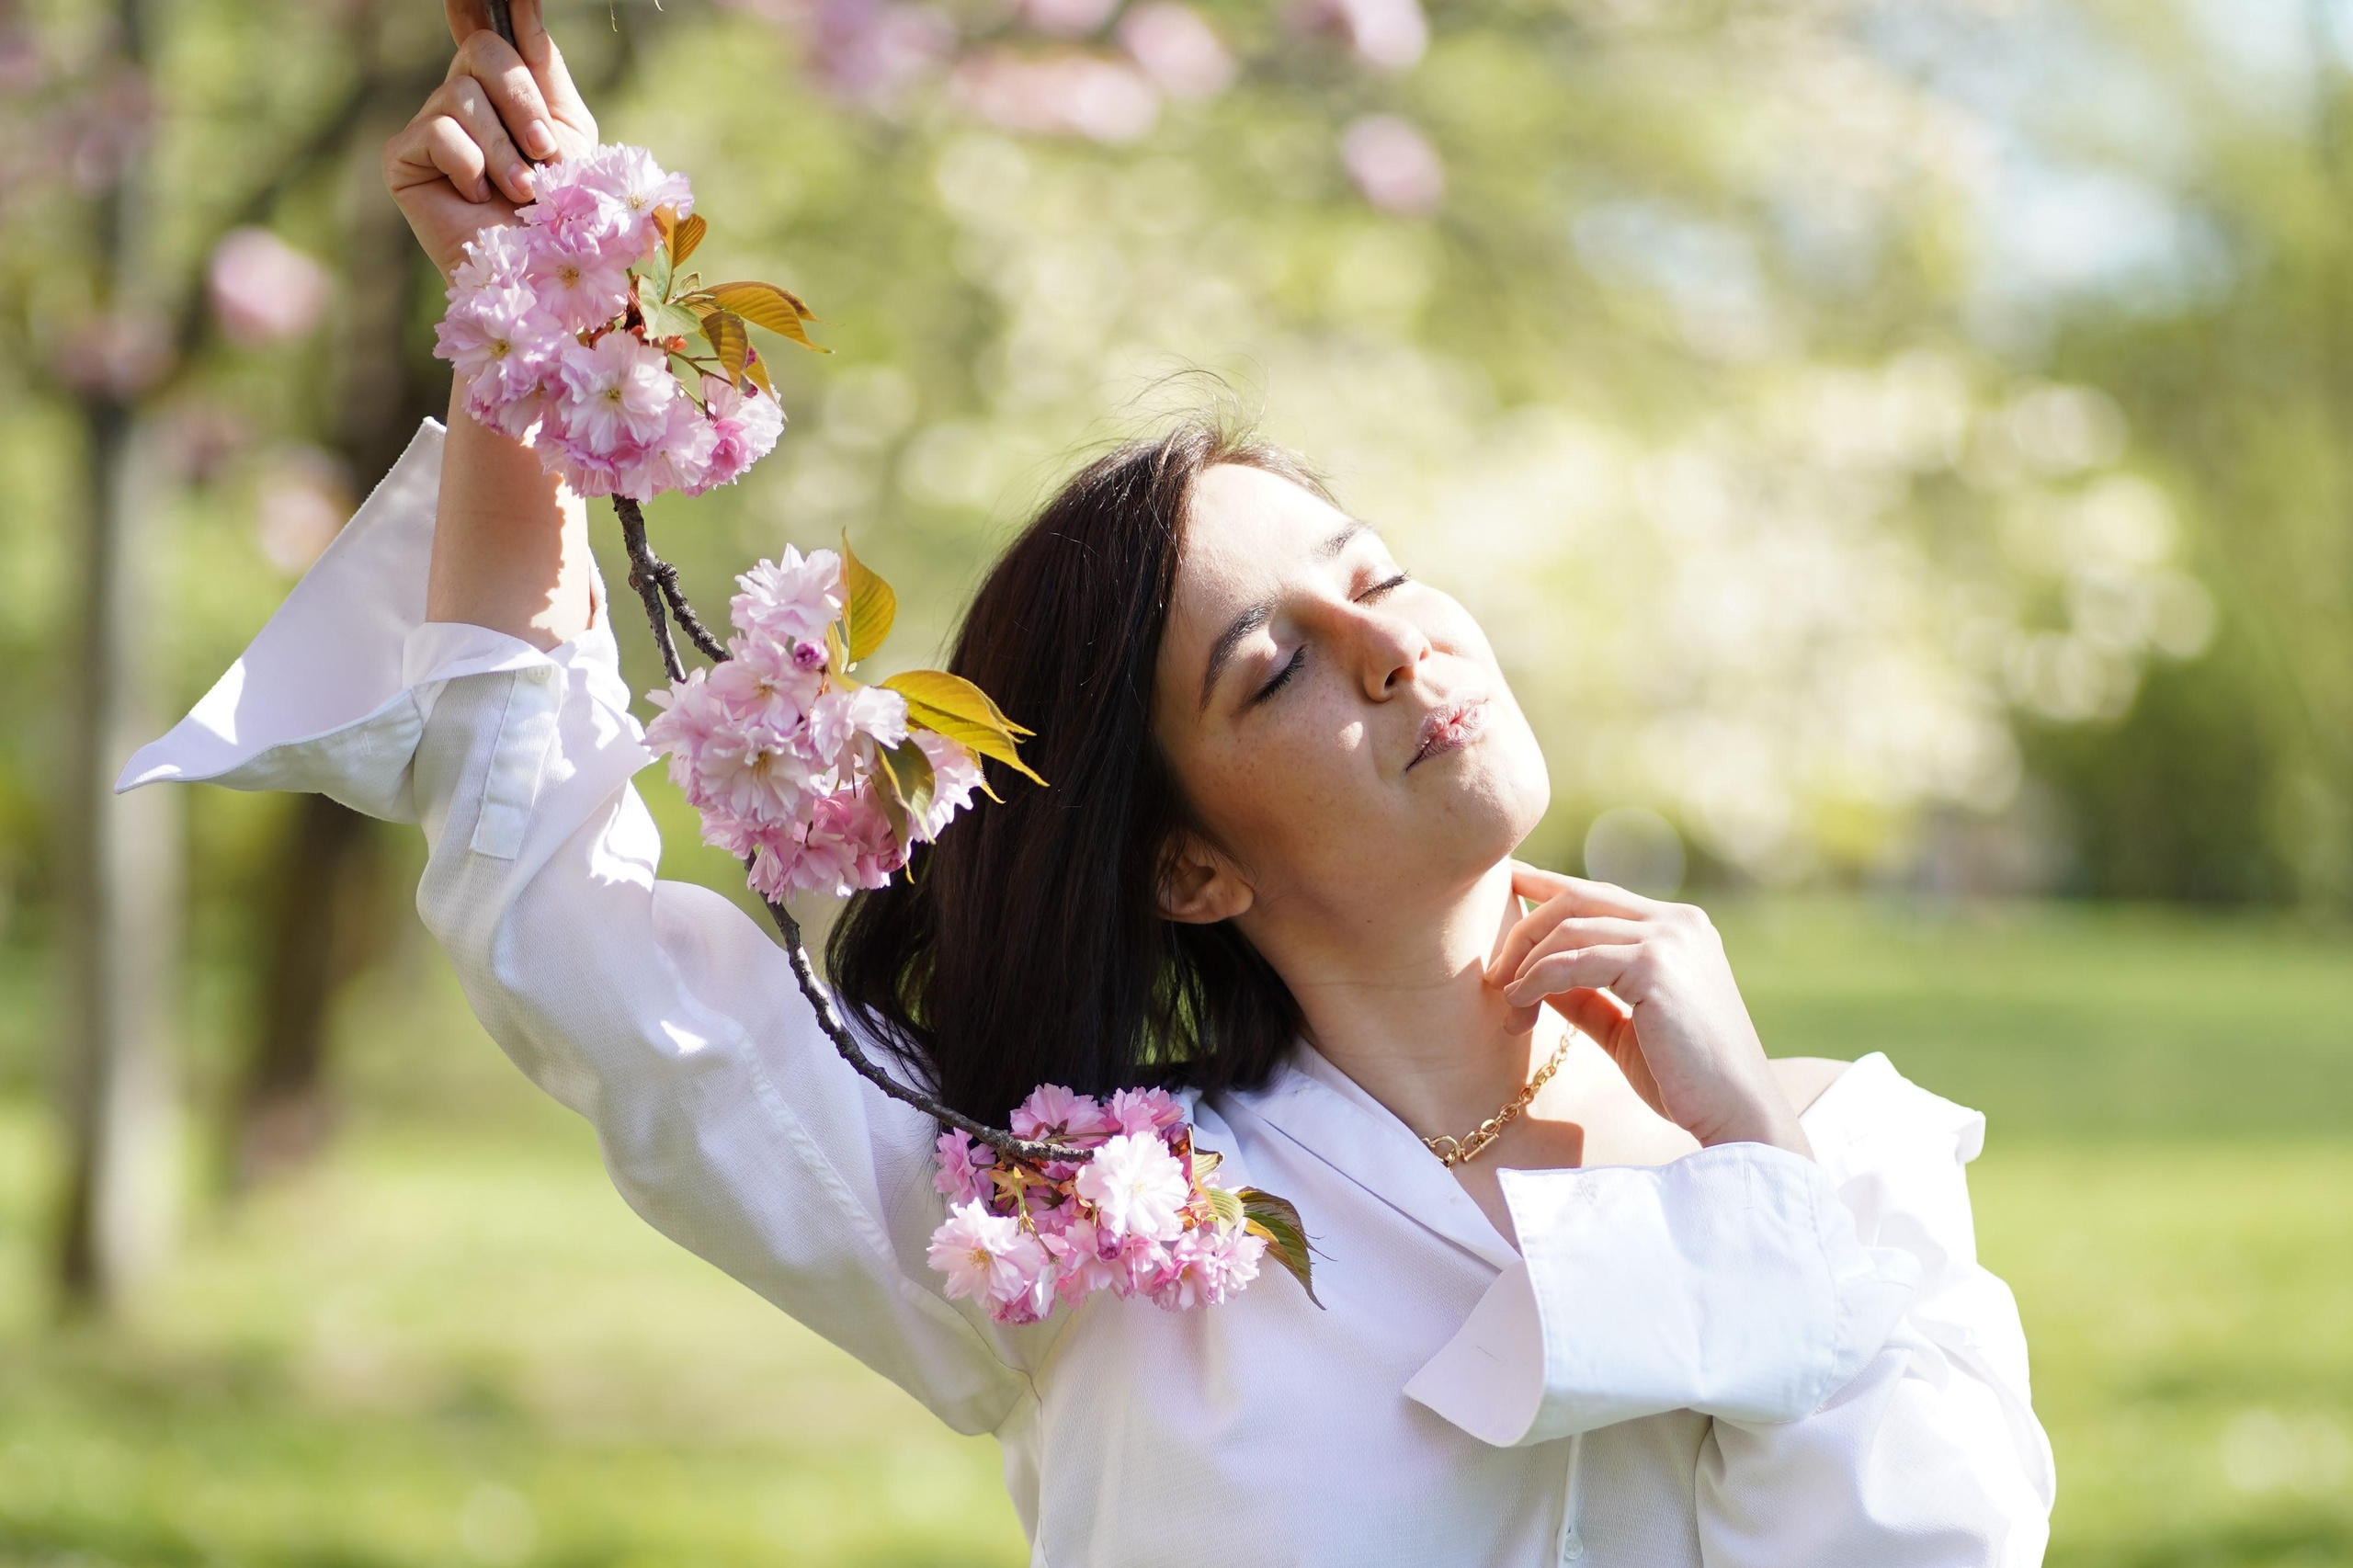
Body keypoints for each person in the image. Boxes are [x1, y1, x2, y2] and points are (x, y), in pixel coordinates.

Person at [119, 3, 2057, 1562]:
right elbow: (567, 929)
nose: (1392, 644)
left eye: (1371, 575)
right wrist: (527, 351)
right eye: (1272, 663)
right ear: (1189, 866)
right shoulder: (1085, 1220)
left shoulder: (1848, 1169)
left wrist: (1745, 1150)